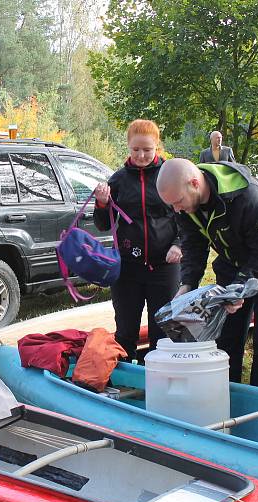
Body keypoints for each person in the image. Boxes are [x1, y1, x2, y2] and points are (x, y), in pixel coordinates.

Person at [156, 158, 258, 391]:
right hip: (232, 259)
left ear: (194, 183)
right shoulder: (184, 203)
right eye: (171, 205)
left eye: (178, 202)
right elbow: (193, 245)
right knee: (226, 334)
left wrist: (240, 288)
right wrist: (187, 284)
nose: (176, 209)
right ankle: (225, 395)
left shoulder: (247, 197)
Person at [92, 119, 181, 360]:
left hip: (164, 266)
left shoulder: (169, 175)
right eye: (136, 150)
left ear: (157, 148)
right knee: (125, 330)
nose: (141, 155)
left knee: (163, 330)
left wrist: (178, 244)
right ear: (129, 148)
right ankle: (123, 383)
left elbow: (187, 216)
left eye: (147, 150)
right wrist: (101, 203)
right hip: (127, 268)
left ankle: (160, 381)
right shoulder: (118, 180)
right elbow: (102, 223)